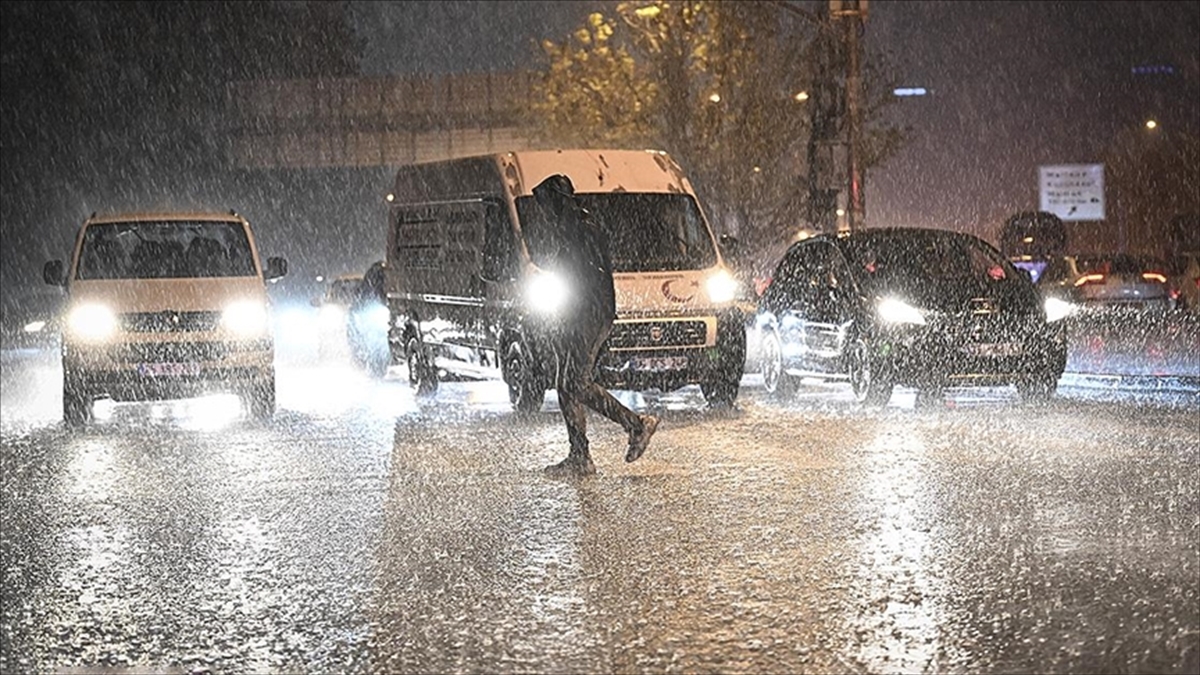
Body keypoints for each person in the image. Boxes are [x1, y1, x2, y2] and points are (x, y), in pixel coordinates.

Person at [530, 174, 659, 477]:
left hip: (587, 315)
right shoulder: (569, 229)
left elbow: (588, 281)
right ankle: (579, 456)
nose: (543, 212)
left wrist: (579, 313)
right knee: (566, 384)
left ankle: (637, 424)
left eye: (546, 204)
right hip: (577, 315)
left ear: (557, 201)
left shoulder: (580, 230)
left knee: (576, 383)